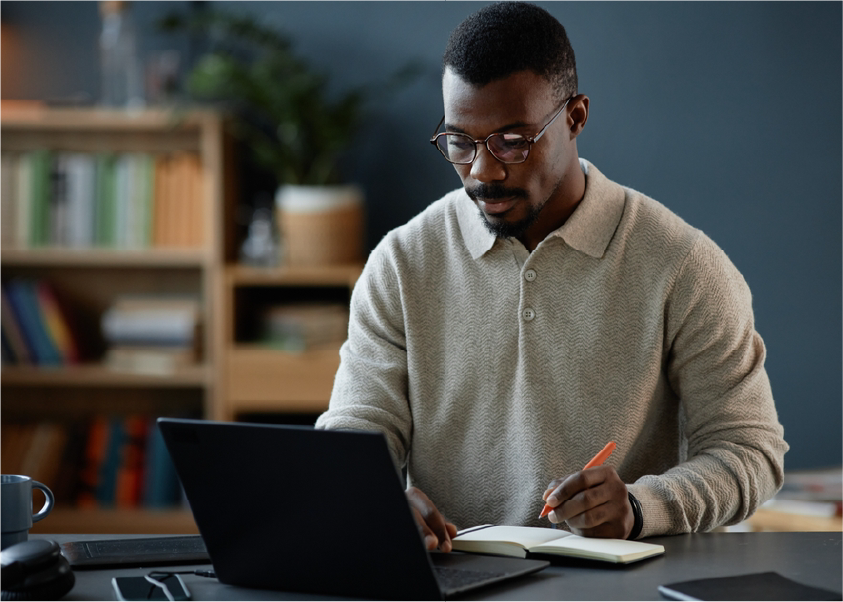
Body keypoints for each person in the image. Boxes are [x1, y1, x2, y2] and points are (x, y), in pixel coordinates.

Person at [315, 1, 788, 551]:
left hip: (619, 586)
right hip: (453, 576)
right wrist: (371, 496)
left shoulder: (683, 266)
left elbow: (749, 450)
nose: (483, 171)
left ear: (576, 116)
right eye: (460, 142)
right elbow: (355, 430)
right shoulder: (400, 263)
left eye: (513, 142)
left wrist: (641, 508)